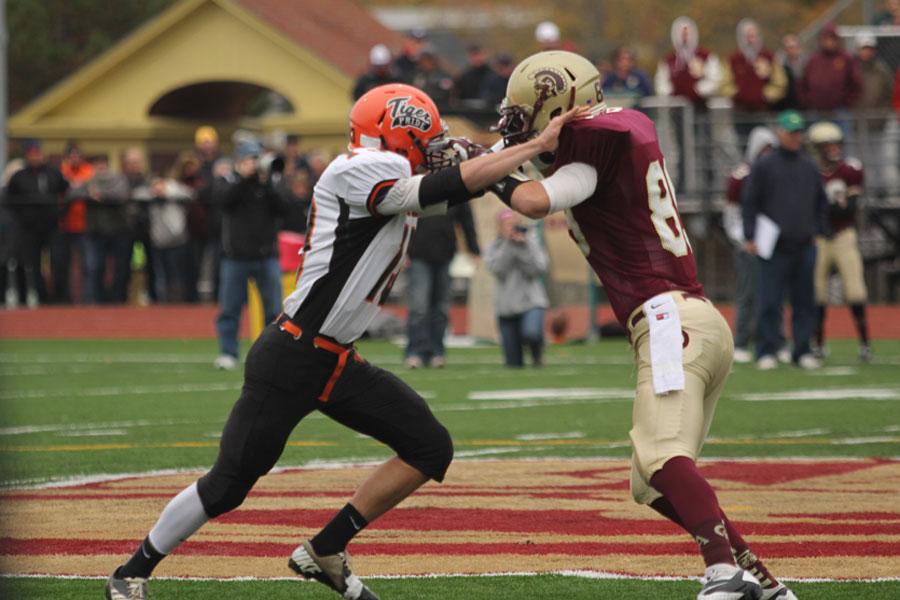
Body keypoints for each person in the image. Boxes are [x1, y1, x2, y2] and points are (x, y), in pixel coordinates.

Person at [104, 82, 581, 600]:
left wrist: (512, 157)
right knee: (227, 486)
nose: (434, 146)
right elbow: (442, 187)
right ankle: (131, 571)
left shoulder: (391, 169)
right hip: (292, 354)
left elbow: (470, 187)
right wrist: (530, 148)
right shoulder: (359, 168)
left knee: (429, 447)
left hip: (336, 360)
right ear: (397, 132)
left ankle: (326, 549)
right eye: (426, 136)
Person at [491, 49, 797, 600]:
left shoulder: (590, 156)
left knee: (661, 459)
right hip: (692, 320)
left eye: (526, 113)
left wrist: (485, 172)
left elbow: (535, 200)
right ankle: (760, 580)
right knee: (649, 481)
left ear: (563, 106)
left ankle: (722, 575)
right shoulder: (614, 135)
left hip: (666, 319)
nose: (519, 125)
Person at [742, 110, 827, 371]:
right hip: (774, 246)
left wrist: (817, 231)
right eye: (791, 132)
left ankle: (801, 350)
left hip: (804, 243)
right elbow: (750, 202)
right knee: (769, 301)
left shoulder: (809, 165)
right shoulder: (765, 166)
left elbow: (820, 202)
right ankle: (767, 349)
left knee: (804, 301)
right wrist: (750, 235)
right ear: (780, 133)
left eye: (799, 132)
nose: (795, 137)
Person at [213, 140, 285, 370]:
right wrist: (244, 178)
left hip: (267, 256)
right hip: (235, 257)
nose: (255, 164)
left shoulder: (269, 182)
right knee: (230, 309)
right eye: (250, 159)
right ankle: (228, 352)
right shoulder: (228, 180)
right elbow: (223, 202)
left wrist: (267, 184)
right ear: (240, 161)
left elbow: (284, 207)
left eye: (257, 158)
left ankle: (271, 355)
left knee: (273, 310)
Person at [808, 121, 871, 362]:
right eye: (828, 145)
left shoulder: (850, 170)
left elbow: (850, 209)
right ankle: (818, 344)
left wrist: (828, 210)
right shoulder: (809, 171)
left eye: (836, 144)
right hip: (819, 238)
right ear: (816, 148)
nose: (834, 149)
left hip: (844, 235)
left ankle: (865, 343)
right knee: (818, 293)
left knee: (855, 290)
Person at [723, 127, 778, 364]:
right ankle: (743, 340)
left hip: (773, 242)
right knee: (748, 292)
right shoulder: (741, 177)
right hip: (748, 244)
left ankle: (777, 340)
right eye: (764, 149)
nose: (767, 154)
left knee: (775, 294)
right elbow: (731, 215)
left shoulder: (776, 174)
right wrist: (743, 239)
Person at [404, 201, 480, 369]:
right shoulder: (416, 179)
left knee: (440, 308)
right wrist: (400, 250)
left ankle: (436, 352)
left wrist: (473, 249)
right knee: (419, 307)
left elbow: (466, 218)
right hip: (417, 254)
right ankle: (415, 352)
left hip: (445, 254)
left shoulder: (455, 184)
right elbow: (400, 217)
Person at [654, 16, 722, 190]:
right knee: (682, 147)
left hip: (700, 109)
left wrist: (698, 90)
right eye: (681, 33)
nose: (685, 37)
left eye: (687, 33)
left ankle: (709, 182)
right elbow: (661, 83)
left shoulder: (704, 56)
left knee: (704, 144)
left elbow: (715, 78)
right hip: (679, 112)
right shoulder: (670, 60)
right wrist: (672, 94)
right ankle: (684, 183)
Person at [5, 139, 69, 306]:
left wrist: (61, 214)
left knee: (58, 260)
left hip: (53, 226)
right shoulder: (19, 177)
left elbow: (67, 193)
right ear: (27, 156)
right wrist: (22, 218)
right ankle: (40, 296)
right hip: (29, 229)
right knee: (33, 264)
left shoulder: (53, 173)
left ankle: (59, 296)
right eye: (32, 154)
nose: (36, 157)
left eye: (38, 153)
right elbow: (9, 200)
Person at [485, 209, 549, 367]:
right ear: (499, 228)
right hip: (506, 307)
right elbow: (498, 270)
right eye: (506, 226)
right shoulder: (493, 247)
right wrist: (509, 245)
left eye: (513, 225)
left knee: (532, 334)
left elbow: (538, 269)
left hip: (531, 301)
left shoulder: (531, 242)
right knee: (513, 364)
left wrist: (524, 247)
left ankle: (537, 355)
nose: (511, 229)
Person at [720, 19, 787, 140]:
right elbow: (724, 84)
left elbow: (780, 82)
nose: (751, 39)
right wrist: (738, 93)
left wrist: (765, 95)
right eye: (747, 36)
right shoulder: (732, 59)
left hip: (762, 111)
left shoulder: (769, 58)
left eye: (753, 35)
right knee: (743, 143)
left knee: (764, 143)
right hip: (740, 112)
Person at [81, 155, 132, 304]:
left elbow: (122, 195)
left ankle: (118, 299)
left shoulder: (119, 179)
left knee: (120, 269)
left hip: (119, 231)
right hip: (96, 232)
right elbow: (75, 192)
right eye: (98, 166)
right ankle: (98, 300)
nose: (101, 169)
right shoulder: (88, 181)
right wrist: (92, 195)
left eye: (103, 166)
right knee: (96, 268)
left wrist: (101, 195)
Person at [798, 23, 862, 133]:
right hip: (816, 112)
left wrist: (846, 102)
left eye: (832, 39)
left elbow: (856, 84)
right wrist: (809, 101)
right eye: (826, 39)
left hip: (839, 111)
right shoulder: (814, 60)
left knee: (842, 143)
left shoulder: (846, 59)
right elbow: (802, 84)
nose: (829, 42)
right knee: (816, 142)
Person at [57, 141, 94, 303]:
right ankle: (65, 298)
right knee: (63, 265)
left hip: (85, 225)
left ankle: (87, 298)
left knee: (88, 265)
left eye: (77, 155)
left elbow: (90, 189)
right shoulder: (61, 171)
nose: (75, 158)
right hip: (64, 226)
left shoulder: (89, 171)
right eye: (72, 155)